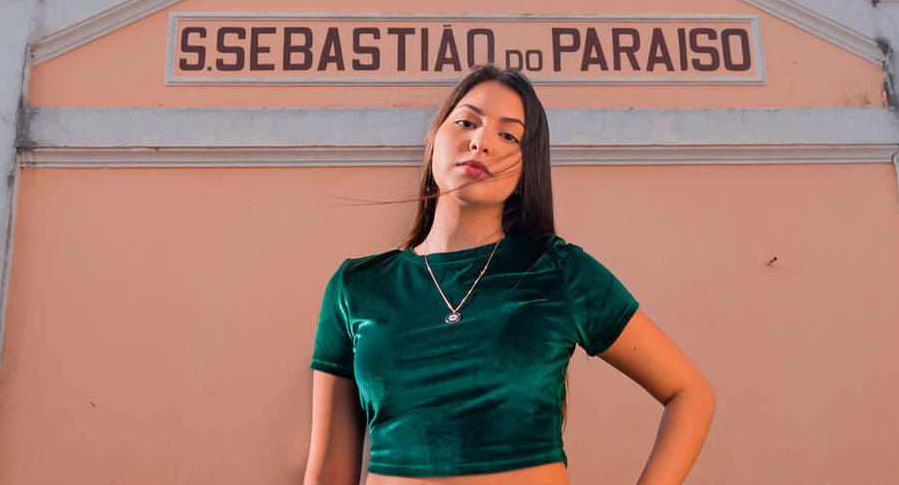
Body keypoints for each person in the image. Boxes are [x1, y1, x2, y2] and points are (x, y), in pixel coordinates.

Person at [305, 64, 715, 485]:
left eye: (509, 135)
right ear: (433, 143)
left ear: (525, 172)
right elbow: (327, 475)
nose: (481, 141)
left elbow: (690, 394)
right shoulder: (356, 286)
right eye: (466, 122)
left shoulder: (558, 270)